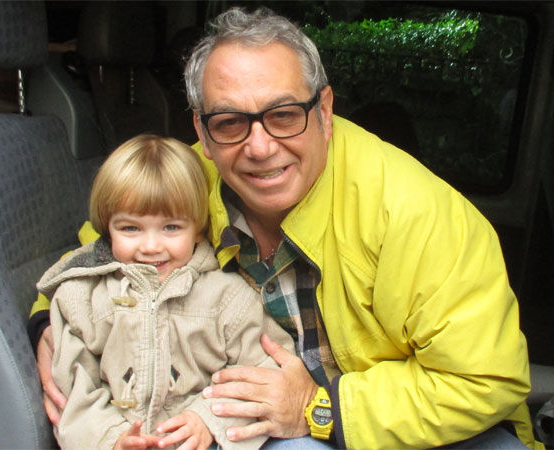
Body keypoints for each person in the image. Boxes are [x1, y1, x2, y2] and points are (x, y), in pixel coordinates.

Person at [29, 7, 544, 450]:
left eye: (283, 114)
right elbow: (97, 252)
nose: (259, 146)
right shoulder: (189, 176)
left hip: (430, 429)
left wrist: (319, 408)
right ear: (201, 131)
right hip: (261, 424)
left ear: (323, 110)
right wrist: (48, 323)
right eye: (230, 122)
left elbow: (484, 381)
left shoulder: (417, 214)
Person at [36, 134, 295, 450]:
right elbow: (75, 388)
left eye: (171, 227)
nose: (150, 246)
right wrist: (111, 439)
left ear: (197, 229)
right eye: (131, 228)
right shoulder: (83, 299)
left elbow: (261, 372)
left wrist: (209, 419)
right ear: (107, 228)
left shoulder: (228, 298)